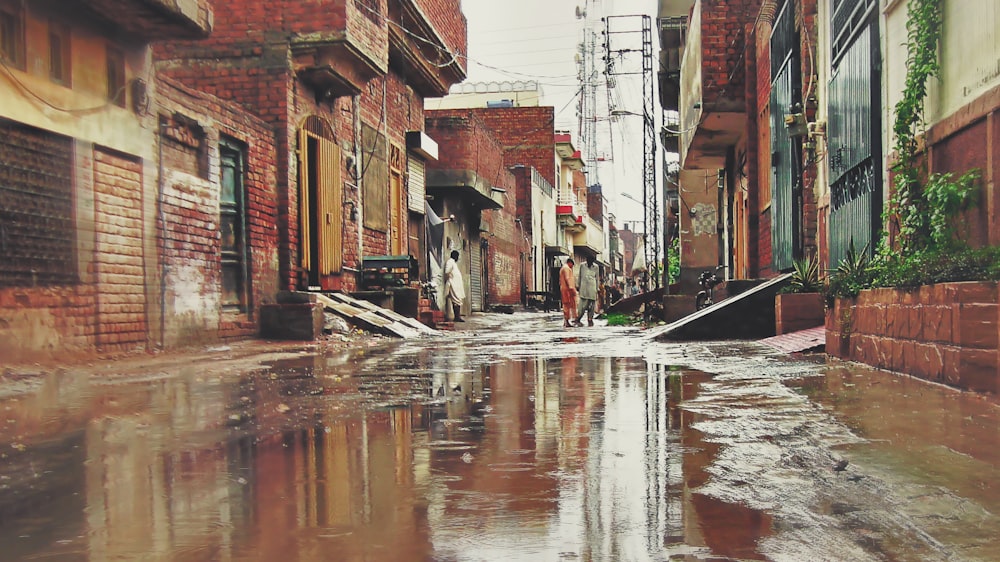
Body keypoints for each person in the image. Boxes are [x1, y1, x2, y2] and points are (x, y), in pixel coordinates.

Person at [575, 255, 599, 327]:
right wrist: (578, 285)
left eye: (591, 262)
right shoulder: (582, 266)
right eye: (588, 261)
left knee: (591, 306)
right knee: (582, 306)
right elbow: (580, 276)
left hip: (592, 289)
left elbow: (596, 279)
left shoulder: (596, 267)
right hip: (584, 289)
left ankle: (590, 318)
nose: (589, 263)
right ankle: (578, 318)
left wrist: (597, 289)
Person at [444, 250, 465, 322]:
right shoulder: (450, 261)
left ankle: (457, 316)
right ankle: (457, 317)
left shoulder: (453, 262)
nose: (458, 258)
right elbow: (447, 271)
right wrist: (451, 278)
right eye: (457, 256)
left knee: (458, 299)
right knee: (456, 300)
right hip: (453, 284)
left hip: (456, 284)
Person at [558, 258, 577, 328]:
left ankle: (566, 321)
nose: (572, 267)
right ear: (570, 263)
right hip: (567, 290)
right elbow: (567, 278)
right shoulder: (566, 269)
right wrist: (571, 288)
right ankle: (567, 321)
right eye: (572, 265)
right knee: (567, 305)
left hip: (565, 289)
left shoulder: (563, 268)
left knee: (566, 305)